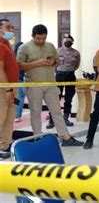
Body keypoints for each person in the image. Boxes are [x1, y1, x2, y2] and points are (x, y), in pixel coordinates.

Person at [16, 24, 83, 146]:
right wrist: (38, 62)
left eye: (43, 38)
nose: (41, 41)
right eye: (38, 38)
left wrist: (53, 61)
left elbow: (57, 61)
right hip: (33, 84)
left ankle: (66, 137)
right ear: (32, 36)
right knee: (36, 112)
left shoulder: (50, 46)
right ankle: (38, 137)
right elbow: (19, 66)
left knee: (56, 111)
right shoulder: (24, 48)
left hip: (51, 83)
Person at [46, 34, 80, 128]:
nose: (67, 41)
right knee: (55, 99)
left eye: (69, 39)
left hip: (70, 75)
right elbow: (52, 64)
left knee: (68, 98)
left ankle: (66, 118)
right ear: (62, 41)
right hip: (59, 75)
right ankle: (52, 120)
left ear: (72, 42)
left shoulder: (76, 53)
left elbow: (77, 65)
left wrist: (69, 70)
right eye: (65, 39)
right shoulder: (56, 51)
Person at [0, 19, 20, 153]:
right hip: (4, 88)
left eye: (11, 27)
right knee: (1, 117)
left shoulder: (6, 44)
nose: (11, 29)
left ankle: (5, 146)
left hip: (12, 86)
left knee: (9, 118)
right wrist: (8, 89)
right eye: (8, 27)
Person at [13, 41, 25, 122]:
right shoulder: (22, 57)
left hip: (11, 80)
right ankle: (17, 115)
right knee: (20, 96)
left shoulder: (12, 56)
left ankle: (13, 114)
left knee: (14, 97)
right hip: (20, 79)